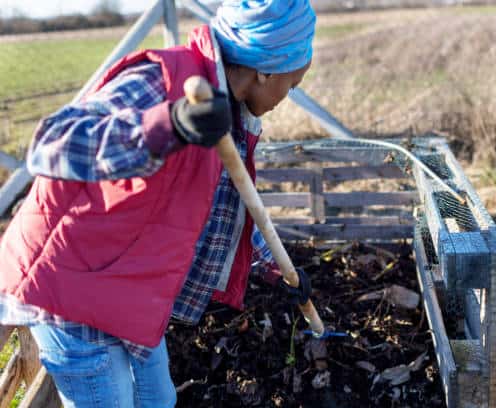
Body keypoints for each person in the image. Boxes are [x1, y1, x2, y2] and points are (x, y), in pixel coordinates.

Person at [0, 1, 316, 407]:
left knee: (158, 398)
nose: (287, 97)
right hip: (73, 288)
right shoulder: (165, 81)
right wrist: (169, 125)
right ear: (265, 70)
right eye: (291, 85)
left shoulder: (229, 117)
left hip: (129, 284)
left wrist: (274, 270)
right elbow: (54, 143)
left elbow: (222, 214)